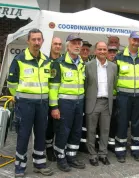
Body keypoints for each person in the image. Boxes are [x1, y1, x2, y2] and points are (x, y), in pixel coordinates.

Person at [7, 28, 53, 177]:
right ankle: (19, 167)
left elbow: (51, 84)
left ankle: (39, 164)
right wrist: (20, 97)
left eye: (39, 39)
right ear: (28, 41)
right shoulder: (20, 59)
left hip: (42, 105)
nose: (36, 42)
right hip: (24, 105)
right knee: (23, 135)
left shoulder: (47, 61)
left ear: (43, 41)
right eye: (33, 39)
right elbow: (11, 83)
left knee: (40, 134)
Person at [49, 34, 86, 172]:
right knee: (63, 131)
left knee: (76, 131)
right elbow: (52, 88)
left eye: (79, 43)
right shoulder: (58, 63)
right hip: (64, 104)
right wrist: (54, 107)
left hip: (79, 103)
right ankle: (60, 157)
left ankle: (71, 156)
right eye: (74, 43)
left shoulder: (81, 64)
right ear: (68, 46)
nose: (77, 46)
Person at [114, 31, 139, 163]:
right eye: (134, 40)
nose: (136, 42)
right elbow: (114, 78)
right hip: (123, 96)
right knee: (122, 123)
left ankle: (136, 150)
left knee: (137, 124)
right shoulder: (119, 57)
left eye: (138, 40)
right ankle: (120, 151)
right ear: (129, 40)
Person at [85, 42, 117, 166]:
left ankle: (103, 154)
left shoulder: (113, 67)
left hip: (106, 102)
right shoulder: (88, 65)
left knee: (105, 130)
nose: (102, 51)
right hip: (93, 102)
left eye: (104, 49)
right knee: (91, 130)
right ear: (95, 51)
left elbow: (114, 84)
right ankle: (92, 155)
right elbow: (85, 84)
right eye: (100, 49)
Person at [46, 37, 62, 162]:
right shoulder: (45, 61)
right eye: (55, 44)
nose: (57, 46)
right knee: (49, 126)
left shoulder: (64, 61)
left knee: (59, 126)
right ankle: (48, 147)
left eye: (59, 44)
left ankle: (58, 147)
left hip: (62, 100)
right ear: (51, 45)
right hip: (48, 100)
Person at [79, 40, 92, 153]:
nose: (85, 51)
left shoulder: (91, 64)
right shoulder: (76, 63)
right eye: (83, 49)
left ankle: (83, 144)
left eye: (87, 50)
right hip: (77, 98)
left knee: (85, 123)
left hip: (88, 99)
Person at [106, 45, 119, 152]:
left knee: (114, 121)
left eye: (114, 52)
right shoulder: (102, 65)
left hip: (115, 98)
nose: (112, 54)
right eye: (110, 52)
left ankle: (111, 141)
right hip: (104, 98)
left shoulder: (118, 65)